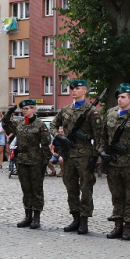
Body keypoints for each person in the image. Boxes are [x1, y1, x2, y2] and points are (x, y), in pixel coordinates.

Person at [50, 79, 103, 235]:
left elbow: (99, 137)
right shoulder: (65, 110)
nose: (73, 90)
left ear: (85, 91)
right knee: (70, 187)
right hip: (68, 153)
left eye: (77, 88)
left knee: (86, 187)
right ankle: (75, 217)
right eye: (72, 88)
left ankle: (84, 220)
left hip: (85, 154)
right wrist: (59, 138)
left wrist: (95, 156)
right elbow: (53, 126)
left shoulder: (92, 111)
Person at [99, 83, 130, 240]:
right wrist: (102, 152)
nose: (120, 99)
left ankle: (127, 226)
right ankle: (117, 225)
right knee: (116, 196)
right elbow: (103, 137)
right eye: (118, 97)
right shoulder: (110, 114)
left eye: (123, 97)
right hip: (113, 163)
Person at [2, 99, 51, 229]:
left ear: (33, 109)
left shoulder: (40, 125)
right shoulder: (20, 123)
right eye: (23, 109)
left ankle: (36, 217)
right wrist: (9, 113)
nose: (24, 110)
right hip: (22, 159)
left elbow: (46, 144)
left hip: (35, 160)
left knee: (37, 189)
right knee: (26, 189)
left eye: (27, 108)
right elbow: (5, 125)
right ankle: (27, 215)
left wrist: (45, 162)